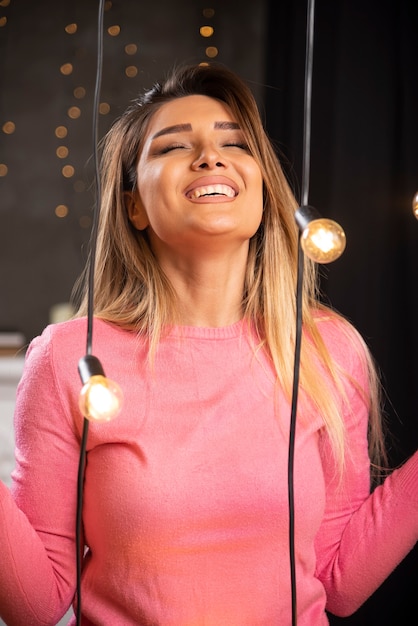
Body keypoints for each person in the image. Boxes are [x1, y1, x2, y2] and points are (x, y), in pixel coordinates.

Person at [0, 63, 417, 626]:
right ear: (134, 207)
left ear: (264, 190)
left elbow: (338, 580)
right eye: (173, 146)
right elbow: (35, 604)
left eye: (235, 143)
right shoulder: (72, 358)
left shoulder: (327, 350)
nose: (209, 157)